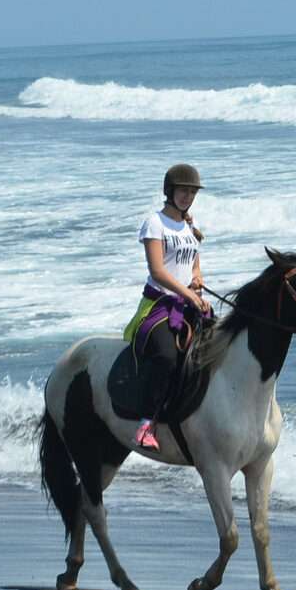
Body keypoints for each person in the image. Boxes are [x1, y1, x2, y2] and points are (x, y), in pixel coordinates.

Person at [124, 163, 213, 449]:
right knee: (166, 357)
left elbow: (194, 267)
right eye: (183, 191)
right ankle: (145, 423)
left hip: (188, 302)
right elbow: (158, 271)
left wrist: (196, 281)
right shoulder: (155, 223)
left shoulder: (190, 226)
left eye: (191, 192)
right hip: (159, 305)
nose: (188, 196)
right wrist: (187, 295)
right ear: (170, 191)